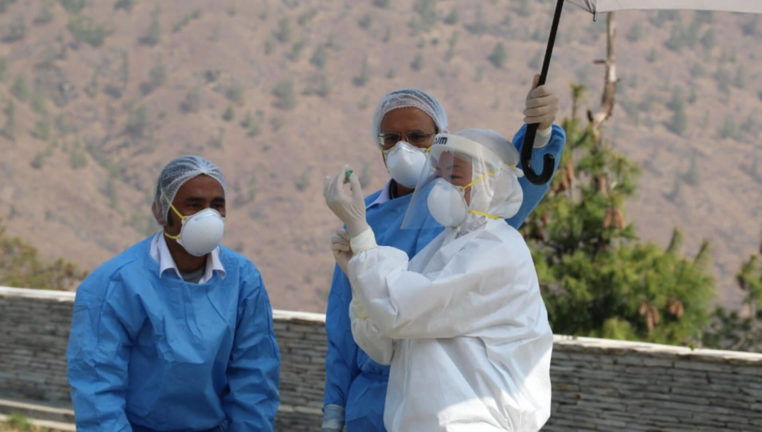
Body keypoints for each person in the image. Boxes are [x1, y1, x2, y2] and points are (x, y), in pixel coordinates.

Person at [322, 79, 564, 431]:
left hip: (465, 413)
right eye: (391, 138)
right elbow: (354, 330)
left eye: (417, 136)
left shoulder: (494, 245)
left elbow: (514, 174)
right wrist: (335, 407)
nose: (403, 147)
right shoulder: (437, 235)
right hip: (386, 407)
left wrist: (539, 135)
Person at [66, 155, 280, 432]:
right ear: (161, 211)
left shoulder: (243, 279)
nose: (208, 216)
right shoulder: (114, 284)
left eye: (217, 205)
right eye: (193, 205)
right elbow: (97, 386)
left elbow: (255, 376)